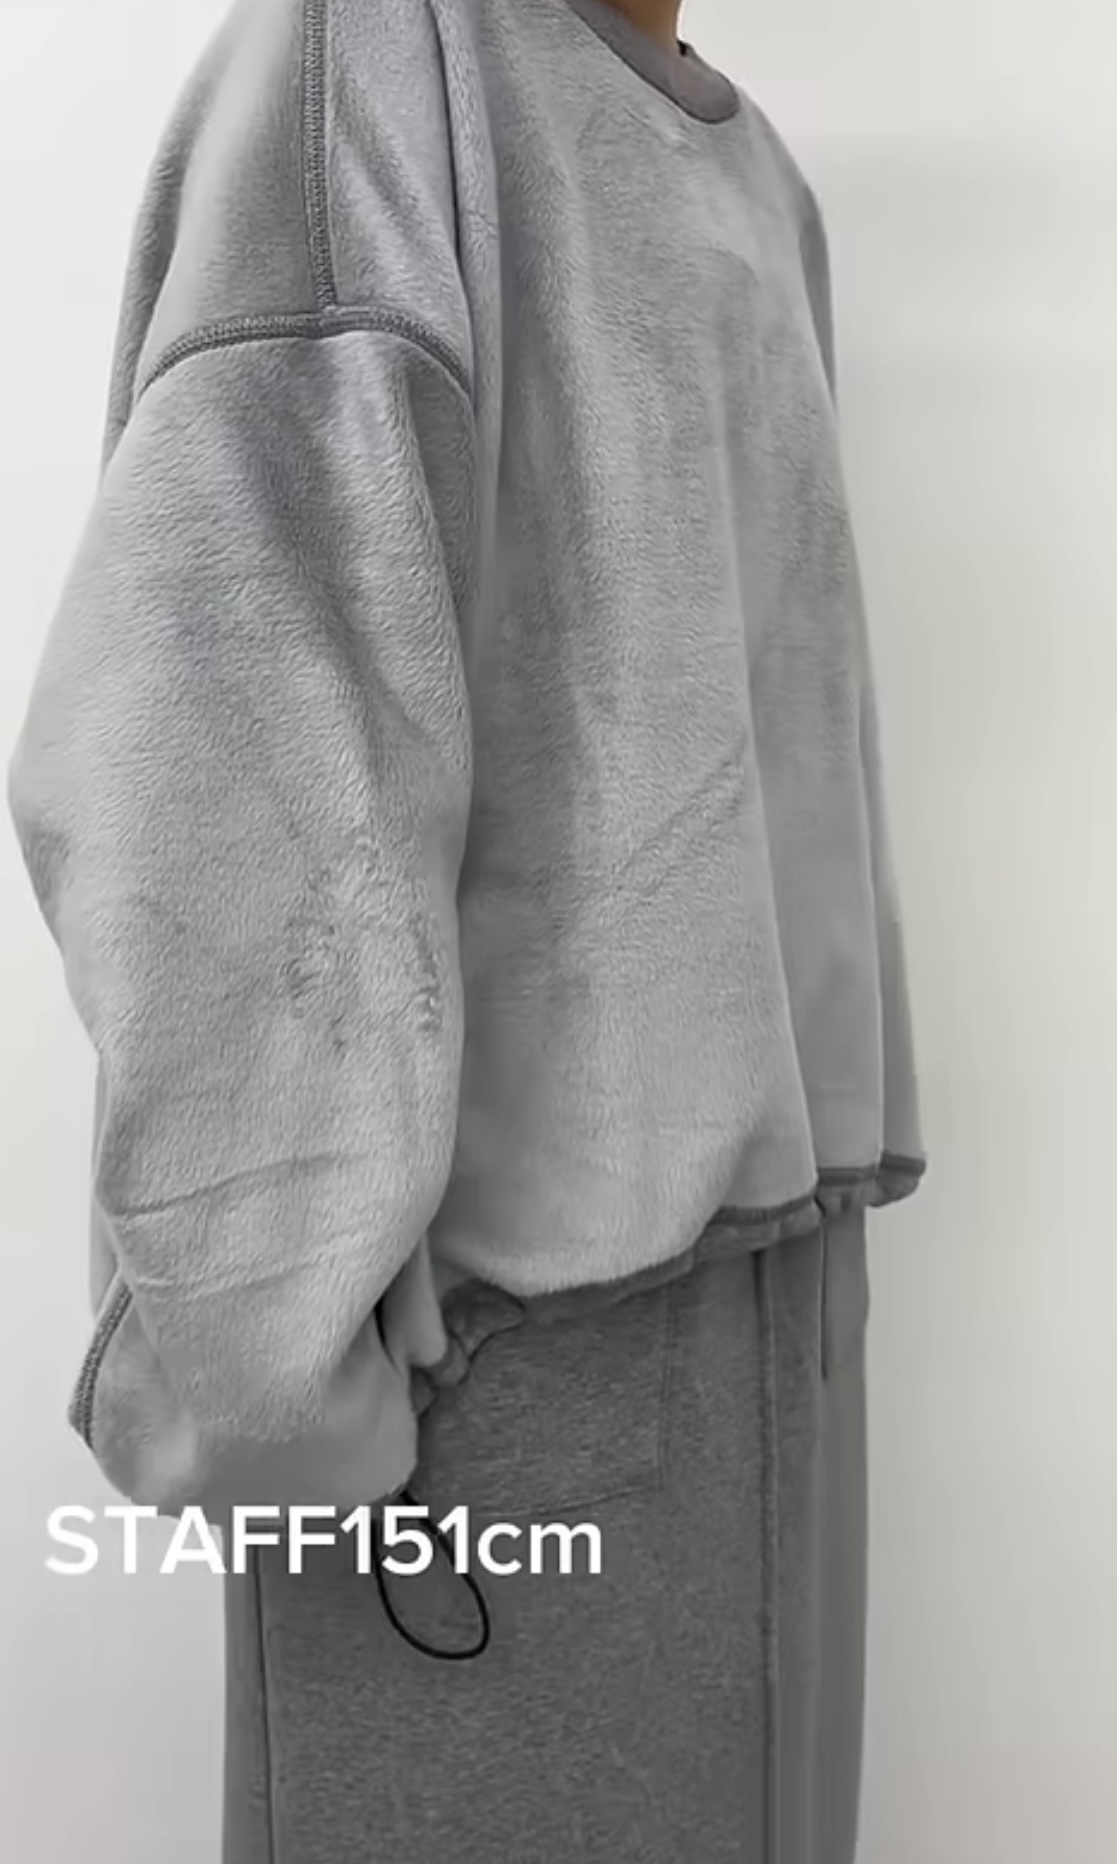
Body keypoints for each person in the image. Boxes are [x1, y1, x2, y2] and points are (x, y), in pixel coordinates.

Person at [7, 0, 927, 1857]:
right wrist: (280, 1392)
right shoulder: (373, 63)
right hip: (492, 1399)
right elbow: (219, 750)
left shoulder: (755, 178)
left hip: (769, 1327)